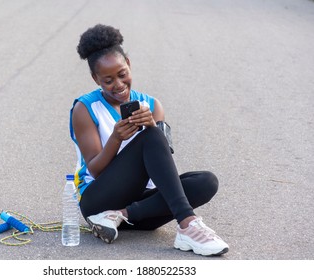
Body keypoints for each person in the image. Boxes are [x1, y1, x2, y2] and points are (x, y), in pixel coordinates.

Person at [69, 24, 229, 256]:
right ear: (96, 79)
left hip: (141, 211)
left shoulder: (152, 105)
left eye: (122, 74)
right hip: (98, 202)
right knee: (151, 136)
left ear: (129, 65)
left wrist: (153, 125)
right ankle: (188, 224)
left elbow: (163, 168)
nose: (119, 84)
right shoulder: (85, 109)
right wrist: (115, 138)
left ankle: (121, 215)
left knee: (206, 182)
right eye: (108, 80)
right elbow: (94, 170)